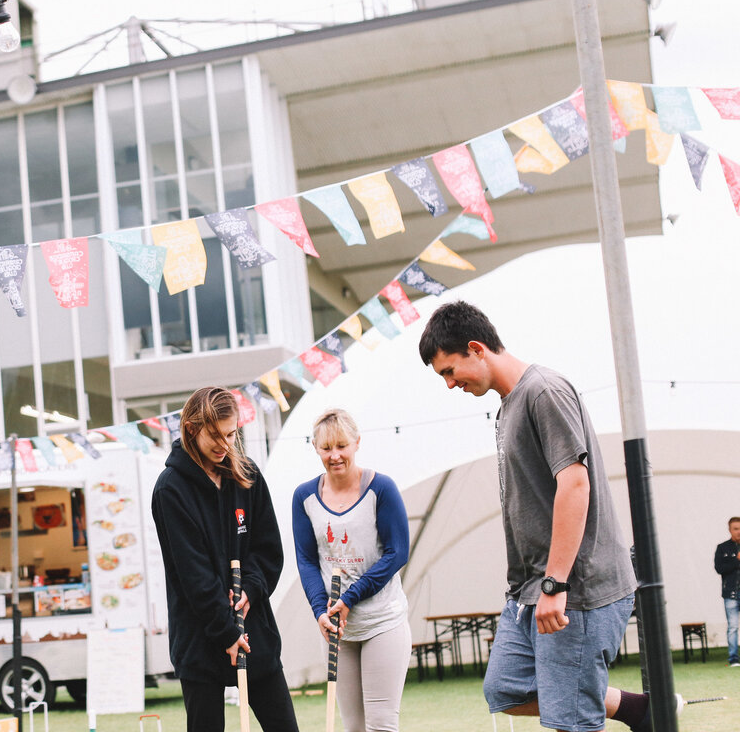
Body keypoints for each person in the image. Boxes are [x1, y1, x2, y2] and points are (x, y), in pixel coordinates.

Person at [418, 300, 675, 732]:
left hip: (576, 589)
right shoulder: (508, 405)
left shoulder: (544, 391)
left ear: (476, 348)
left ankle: (598, 704)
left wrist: (556, 582)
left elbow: (575, 484)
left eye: (449, 371)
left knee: (571, 719)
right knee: (505, 690)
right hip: (529, 591)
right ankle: (636, 709)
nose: (449, 384)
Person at [151, 386, 300, 732]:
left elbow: (268, 550)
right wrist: (226, 633)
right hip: (201, 639)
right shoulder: (171, 489)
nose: (225, 444)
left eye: (231, 434)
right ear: (191, 429)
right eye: (215, 436)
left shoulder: (246, 476)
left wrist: (252, 588)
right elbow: (193, 574)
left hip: (254, 631)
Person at [292, 408, 411, 732]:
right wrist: (321, 610)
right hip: (337, 629)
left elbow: (398, 552)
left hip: (381, 622)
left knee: (381, 725)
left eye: (341, 446)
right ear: (316, 448)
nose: (335, 456)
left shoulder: (380, 488)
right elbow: (306, 560)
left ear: (357, 443)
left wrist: (351, 597)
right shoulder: (305, 497)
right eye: (326, 448)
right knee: (354, 727)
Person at [714, 516, 740, 666]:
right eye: (736, 529)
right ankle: (734, 658)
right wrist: (736, 561)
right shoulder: (722, 548)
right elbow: (719, 568)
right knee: (733, 626)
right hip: (730, 594)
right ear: (730, 530)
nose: (738, 532)